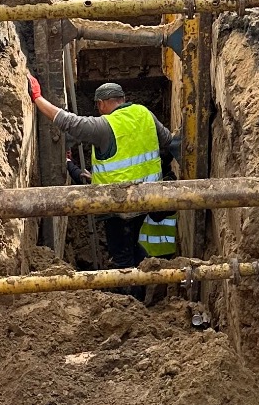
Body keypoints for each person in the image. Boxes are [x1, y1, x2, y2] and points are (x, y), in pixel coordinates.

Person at [27, 76, 179, 271]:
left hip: (118, 205)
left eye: (97, 106)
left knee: (122, 258)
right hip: (146, 199)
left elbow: (68, 122)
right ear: (123, 99)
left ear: (101, 103)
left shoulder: (104, 126)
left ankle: (130, 289)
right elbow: (167, 142)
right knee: (132, 245)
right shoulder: (144, 113)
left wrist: (38, 98)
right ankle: (148, 278)